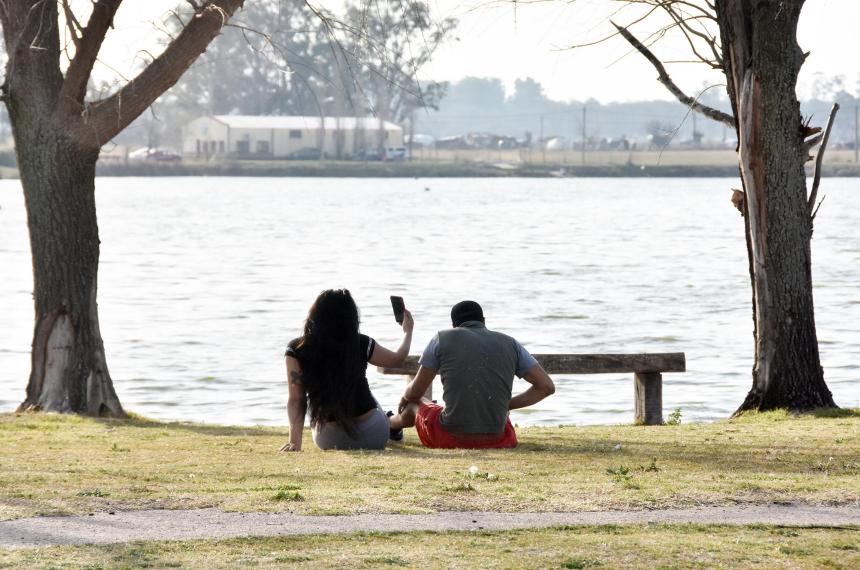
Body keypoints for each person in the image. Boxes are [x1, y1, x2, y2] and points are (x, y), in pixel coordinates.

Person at [389, 300, 555, 449]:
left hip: (447, 438)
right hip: (501, 439)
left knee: (415, 403)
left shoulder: (441, 338)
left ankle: (390, 425)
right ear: (483, 321)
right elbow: (546, 387)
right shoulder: (511, 343)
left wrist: (404, 398)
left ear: (454, 325)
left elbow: (416, 392)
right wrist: (506, 405)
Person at [280, 289, 413, 451]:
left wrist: (294, 443)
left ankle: (391, 422)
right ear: (351, 317)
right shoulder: (362, 343)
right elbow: (397, 358)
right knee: (372, 400)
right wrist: (408, 332)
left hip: (327, 439)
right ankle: (392, 424)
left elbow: (296, 399)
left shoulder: (296, 348)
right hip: (373, 435)